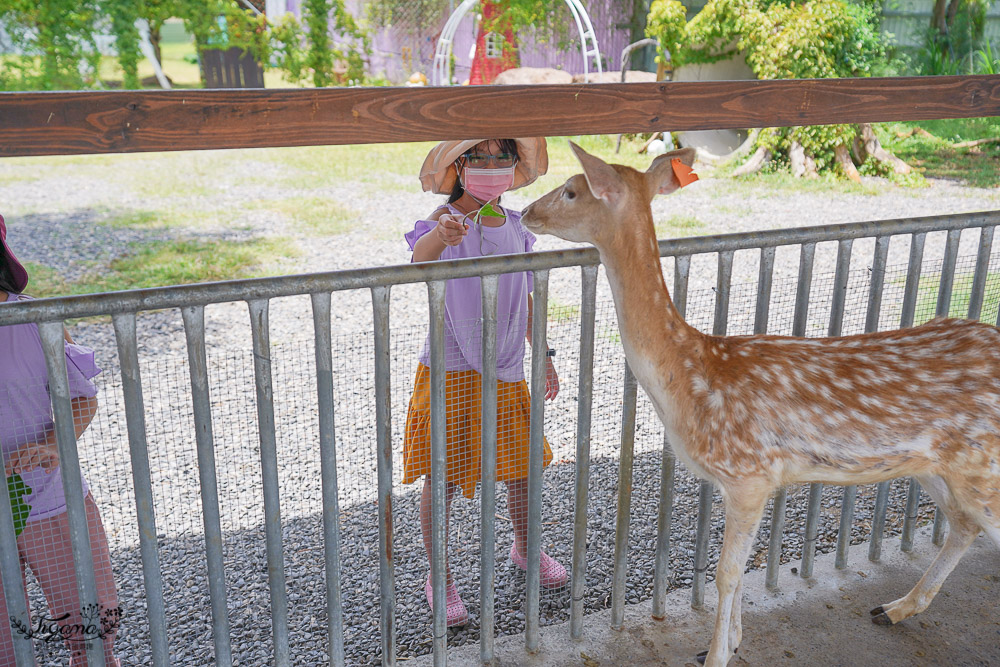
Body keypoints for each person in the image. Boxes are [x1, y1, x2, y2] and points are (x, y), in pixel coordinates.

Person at [403, 138, 567, 627]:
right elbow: (420, 260)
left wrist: (544, 354)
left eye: (503, 158)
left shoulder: (516, 226)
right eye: (481, 158)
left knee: (521, 467)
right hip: (451, 367)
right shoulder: (441, 220)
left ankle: (524, 547)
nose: (494, 167)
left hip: (506, 364)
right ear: (460, 166)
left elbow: (527, 293)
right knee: (444, 475)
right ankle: (441, 576)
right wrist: (443, 237)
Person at [0, 215, 120, 666]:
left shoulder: (36, 319)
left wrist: (54, 443)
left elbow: (81, 399)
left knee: (93, 631)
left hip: (51, 500)